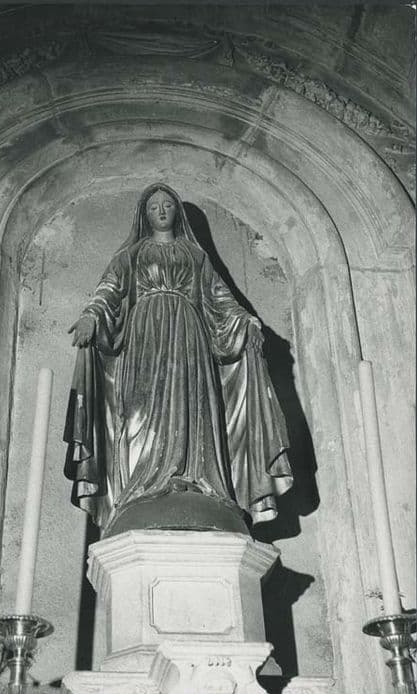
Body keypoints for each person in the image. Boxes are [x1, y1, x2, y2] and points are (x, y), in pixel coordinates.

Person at [63, 183, 292, 533]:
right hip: (145, 338)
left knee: (192, 405)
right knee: (142, 409)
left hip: (189, 336)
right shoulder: (132, 255)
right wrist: (91, 316)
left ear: (177, 213)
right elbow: (109, 290)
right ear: (144, 214)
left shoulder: (195, 256)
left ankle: (196, 478)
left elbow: (219, 297)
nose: (161, 210)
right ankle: (143, 486)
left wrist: (246, 321)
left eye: (167, 205)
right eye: (153, 206)